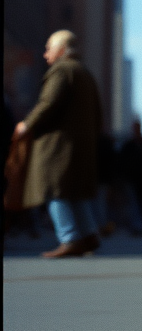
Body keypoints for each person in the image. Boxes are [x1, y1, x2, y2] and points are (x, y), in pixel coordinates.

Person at [12, 30, 103, 258]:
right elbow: (98, 114)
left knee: (53, 190)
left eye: (48, 49)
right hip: (80, 145)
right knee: (74, 192)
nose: (45, 55)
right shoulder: (85, 73)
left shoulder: (62, 70)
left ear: (61, 50)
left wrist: (26, 124)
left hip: (57, 145)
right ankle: (89, 235)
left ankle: (69, 237)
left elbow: (48, 102)